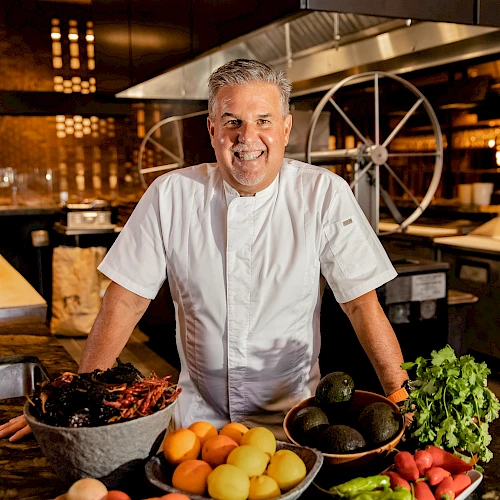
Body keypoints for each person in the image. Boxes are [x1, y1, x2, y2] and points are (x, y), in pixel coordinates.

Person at [0, 59, 408, 442]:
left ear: (285, 129)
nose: (247, 138)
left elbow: (361, 305)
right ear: (212, 130)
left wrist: (402, 397)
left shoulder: (323, 193)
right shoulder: (171, 195)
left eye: (263, 121)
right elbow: (123, 302)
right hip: (197, 427)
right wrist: (71, 405)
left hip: (297, 423)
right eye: (233, 122)